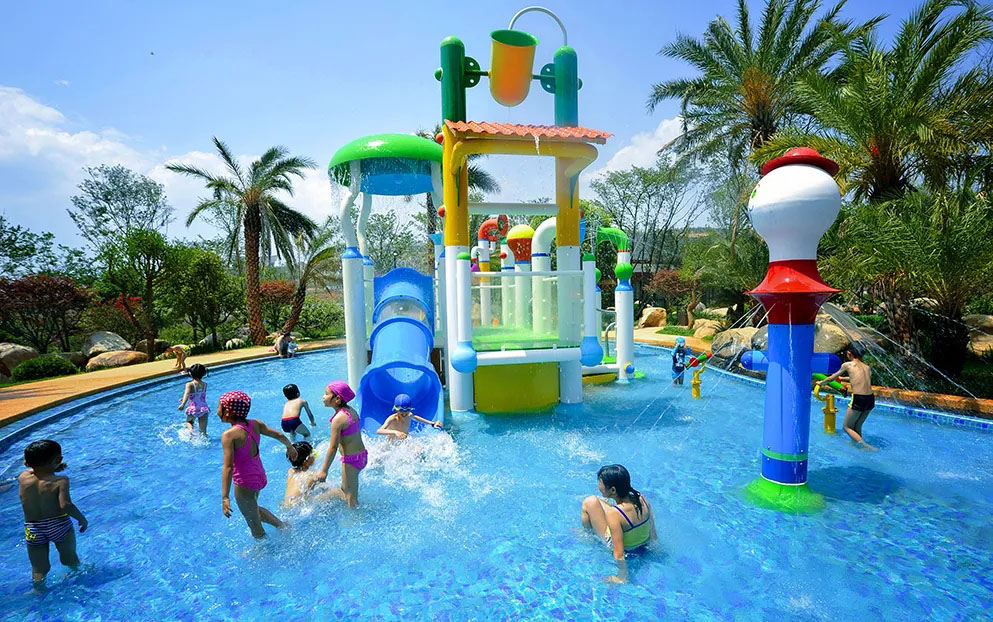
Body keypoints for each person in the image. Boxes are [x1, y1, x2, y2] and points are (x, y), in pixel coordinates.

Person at [218, 391, 298, 538]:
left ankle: (263, 546)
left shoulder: (229, 435)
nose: (217, 410)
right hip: (258, 475)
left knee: (253, 524)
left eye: (220, 406)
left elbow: (228, 467)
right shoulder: (255, 424)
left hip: (244, 482)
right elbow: (279, 435)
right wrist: (290, 447)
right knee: (252, 507)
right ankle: (282, 525)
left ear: (227, 411)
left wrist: (225, 497)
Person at [18, 440, 88, 590]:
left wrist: (52, 465)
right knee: (69, 558)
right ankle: (78, 578)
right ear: (59, 460)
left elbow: (37, 472)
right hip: (59, 524)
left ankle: (38, 589)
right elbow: (66, 505)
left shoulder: (23, 478)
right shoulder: (61, 481)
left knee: (39, 567)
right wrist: (81, 519)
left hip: (33, 528)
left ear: (26, 463)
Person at [580, 464, 656, 584]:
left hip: (625, 547)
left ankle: (588, 536)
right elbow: (653, 533)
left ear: (613, 490)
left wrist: (622, 577)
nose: (598, 486)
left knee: (588, 502)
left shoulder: (614, 514)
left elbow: (619, 553)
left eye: (600, 482)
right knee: (596, 501)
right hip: (643, 544)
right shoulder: (642, 498)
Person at [314, 381, 367, 508]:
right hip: (361, 456)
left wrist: (324, 471)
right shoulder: (351, 411)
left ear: (337, 399)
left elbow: (333, 447)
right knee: (345, 489)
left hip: (351, 461)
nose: (323, 397)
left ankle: (356, 518)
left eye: (326, 394)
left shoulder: (338, 420)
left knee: (351, 498)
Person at [818, 346, 877, 450]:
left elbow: (831, 378)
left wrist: (822, 382)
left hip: (859, 398)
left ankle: (866, 446)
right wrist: (843, 378)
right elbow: (857, 377)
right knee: (857, 426)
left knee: (846, 427)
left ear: (849, 353)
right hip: (870, 399)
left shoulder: (847, 365)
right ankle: (858, 447)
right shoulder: (867, 367)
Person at [376, 393, 443, 440]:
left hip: (404, 442)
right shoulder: (392, 418)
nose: (404, 413)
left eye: (407, 410)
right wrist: (395, 432)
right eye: (401, 410)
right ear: (396, 410)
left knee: (419, 450)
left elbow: (416, 418)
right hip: (392, 445)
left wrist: (432, 423)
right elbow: (379, 431)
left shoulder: (409, 415)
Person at [178, 363, 210, 436]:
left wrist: (183, 404)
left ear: (190, 373)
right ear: (204, 374)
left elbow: (187, 393)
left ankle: (191, 431)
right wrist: (185, 398)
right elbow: (199, 395)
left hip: (193, 408)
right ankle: (204, 439)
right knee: (203, 431)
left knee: (189, 422)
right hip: (203, 408)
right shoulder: (205, 384)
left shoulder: (189, 384)